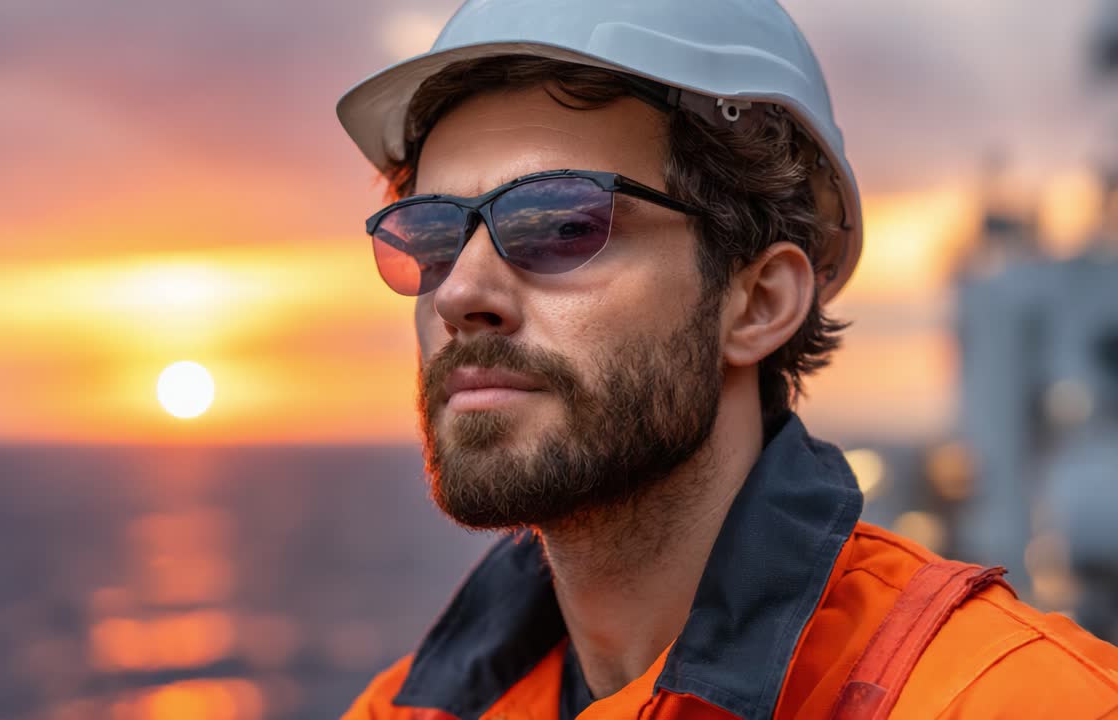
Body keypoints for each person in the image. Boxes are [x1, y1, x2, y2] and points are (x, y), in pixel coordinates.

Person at [333, 1, 1118, 717]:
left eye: (561, 223)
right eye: (431, 236)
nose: (459, 292)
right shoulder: (406, 711)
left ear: (759, 302)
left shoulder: (1010, 698)